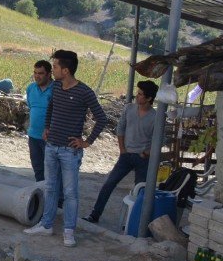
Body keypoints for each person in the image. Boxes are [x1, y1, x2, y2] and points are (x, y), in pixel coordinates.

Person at [23, 49, 108, 247]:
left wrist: (87, 141)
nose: (53, 71)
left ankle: (69, 231)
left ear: (66, 70)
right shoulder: (57, 88)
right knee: (50, 187)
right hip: (51, 147)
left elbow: (101, 118)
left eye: (55, 67)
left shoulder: (84, 92)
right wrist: (46, 127)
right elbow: (51, 108)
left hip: (70, 151)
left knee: (70, 193)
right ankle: (46, 225)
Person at [83, 80, 159, 224]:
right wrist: (122, 150)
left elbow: (159, 139)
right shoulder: (129, 109)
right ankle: (94, 215)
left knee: (140, 191)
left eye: (141, 94)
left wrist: (146, 153)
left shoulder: (155, 117)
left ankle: (136, 223)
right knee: (109, 184)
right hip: (126, 155)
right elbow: (120, 129)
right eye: (137, 93)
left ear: (149, 98)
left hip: (143, 158)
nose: (137, 96)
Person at [25, 60, 55, 183]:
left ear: (49, 74)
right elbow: (31, 107)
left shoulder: (57, 89)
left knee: (52, 172)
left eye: (41, 73)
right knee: (38, 169)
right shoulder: (30, 88)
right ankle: (41, 195)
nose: (37, 76)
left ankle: (55, 200)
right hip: (33, 136)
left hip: (51, 138)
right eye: (35, 73)